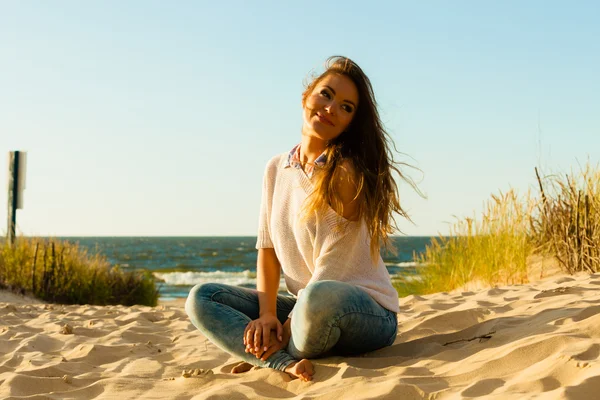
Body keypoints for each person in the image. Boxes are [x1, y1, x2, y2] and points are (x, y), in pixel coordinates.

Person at [186, 56, 414, 382]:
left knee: (317, 297)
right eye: (326, 94)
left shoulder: (344, 173)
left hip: (366, 312)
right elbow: (267, 249)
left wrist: (287, 324)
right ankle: (282, 360)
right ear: (307, 95)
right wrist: (267, 316)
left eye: (347, 107)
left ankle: (271, 352)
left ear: (351, 123)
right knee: (202, 298)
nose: (332, 107)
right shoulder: (275, 168)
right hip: (304, 308)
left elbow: (330, 269)